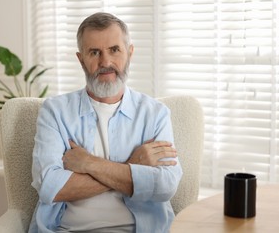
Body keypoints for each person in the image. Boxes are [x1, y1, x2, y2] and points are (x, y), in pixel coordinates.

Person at [29, 12, 182, 233]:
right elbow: (49, 187)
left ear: (129, 53)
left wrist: (89, 164)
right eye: (94, 52)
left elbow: (166, 186)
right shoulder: (55, 112)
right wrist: (134, 165)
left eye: (114, 50)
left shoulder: (156, 114)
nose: (106, 62)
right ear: (81, 59)